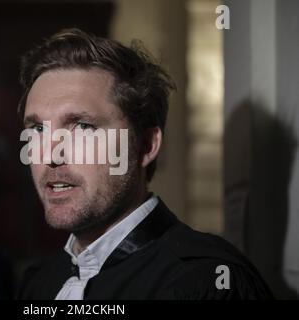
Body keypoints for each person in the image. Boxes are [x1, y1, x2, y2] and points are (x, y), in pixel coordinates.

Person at [17, 28, 273, 300]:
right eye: (38, 130)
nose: (50, 154)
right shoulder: (39, 282)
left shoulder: (208, 283)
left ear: (147, 145)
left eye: (82, 127)